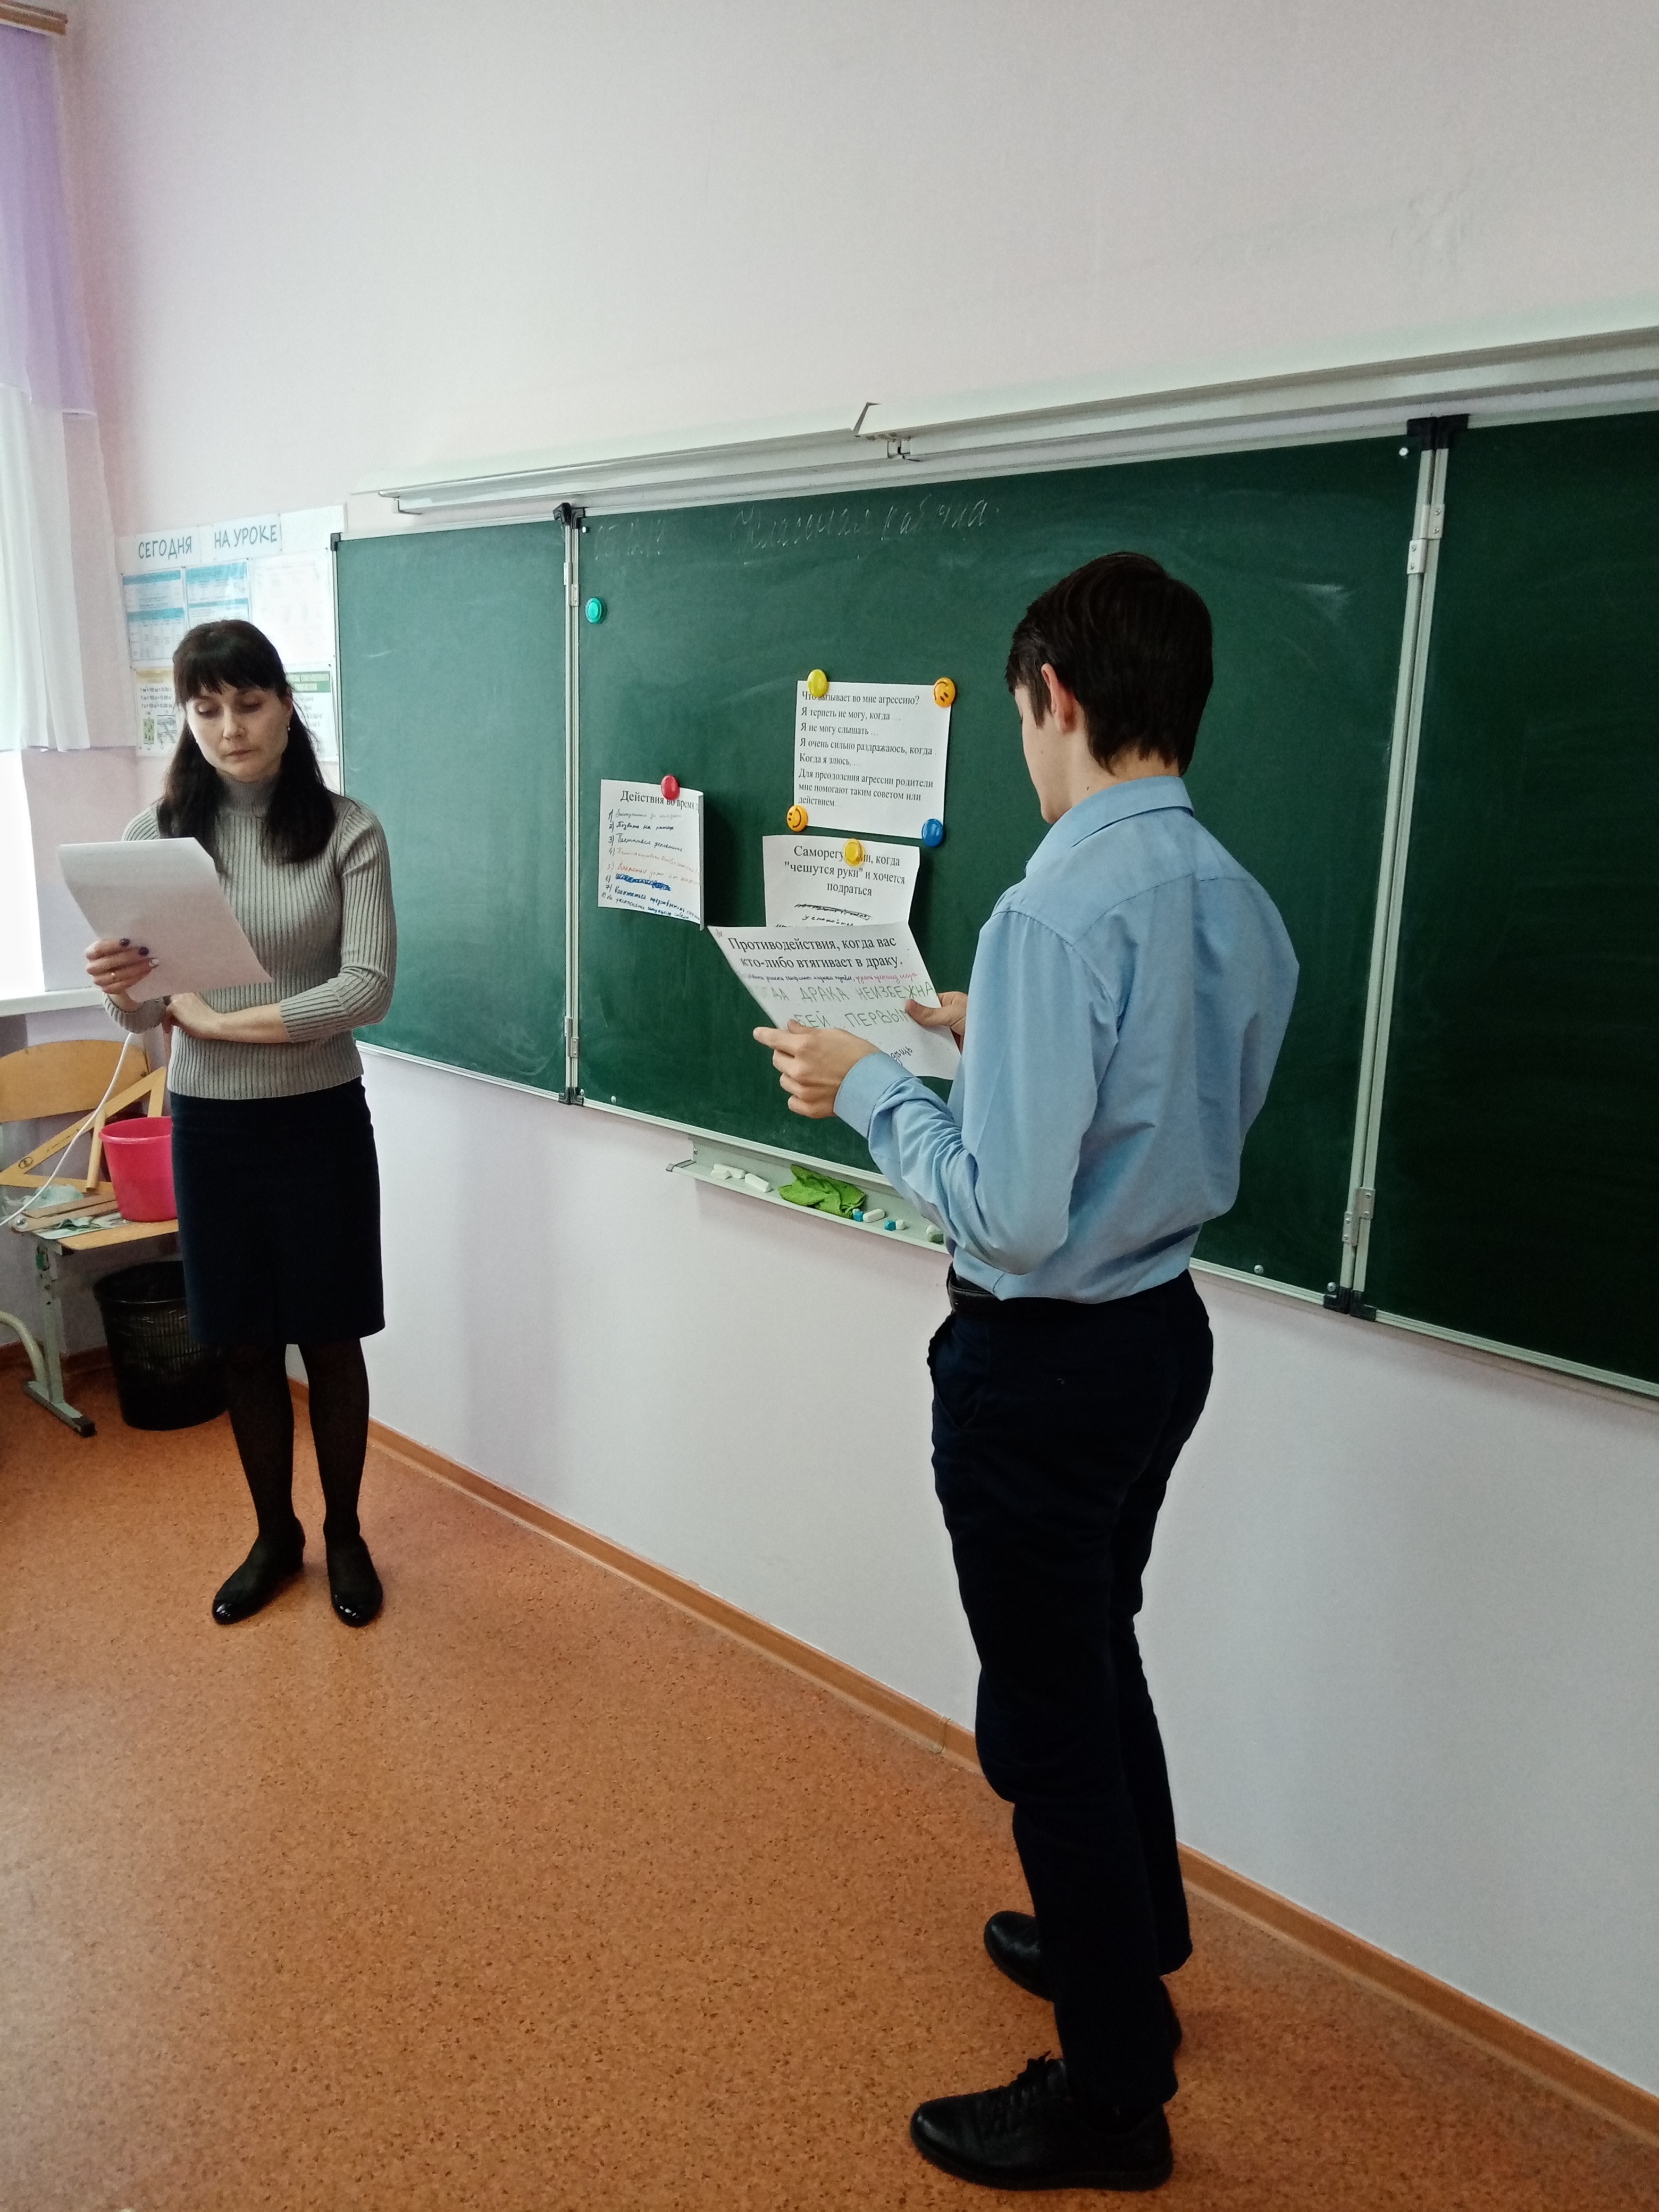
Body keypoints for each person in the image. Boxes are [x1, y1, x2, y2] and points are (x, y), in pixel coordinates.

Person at [753, 554, 1297, 2193]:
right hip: (1158, 1339)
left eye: (1017, 715)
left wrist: (871, 1085)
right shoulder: (1235, 896)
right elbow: (1155, 1096)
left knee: (1045, 1722)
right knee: (1096, 1648)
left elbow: (1008, 1210)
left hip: (1042, 1369)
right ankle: (1130, 1937)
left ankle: (1113, 2100)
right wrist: (986, 1029)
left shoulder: (1055, 907)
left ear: (1052, 693)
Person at [87, 619, 396, 1629]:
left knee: (330, 1338)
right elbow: (146, 1015)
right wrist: (117, 988)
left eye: (250, 703)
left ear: (287, 705)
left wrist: (226, 1024)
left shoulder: (348, 830)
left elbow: (366, 988)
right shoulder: (155, 841)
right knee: (243, 1347)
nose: (231, 727)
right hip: (211, 1130)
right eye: (207, 707)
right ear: (186, 715)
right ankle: (276, 1536)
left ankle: (344, 1533)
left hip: (320, 1122)